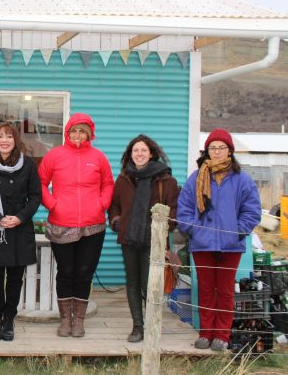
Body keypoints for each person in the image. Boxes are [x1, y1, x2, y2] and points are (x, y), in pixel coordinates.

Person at [177, 128, 261, 352]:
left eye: (221, 147)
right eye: (212, 148)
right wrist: (193, 231)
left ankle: (222, 335)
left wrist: (237, 232)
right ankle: (205, 333)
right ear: (207, 152)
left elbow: (252, 211)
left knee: (224, 291)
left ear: (230, 151)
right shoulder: (196, 177)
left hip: (230, 246)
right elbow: (183, 208)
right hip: (202, 244)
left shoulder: (242, 179)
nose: (216, 152)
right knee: (204, 290)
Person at [38, 112, 114, 338]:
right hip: (62, 223)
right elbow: (40, 184)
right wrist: (53, 204)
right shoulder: (54, 156)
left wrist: (102, 204)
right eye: (74, 130)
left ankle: (78, 321)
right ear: (67, 132)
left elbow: (108, 184)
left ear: (89, 134)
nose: (78, 135)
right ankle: (64, 320)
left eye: (83, 131)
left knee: (84, 273)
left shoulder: (98, 157)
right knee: (66, 272)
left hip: (93, 226)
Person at [108, 134, 180, 343]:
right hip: (129, 239)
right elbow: (114, 206)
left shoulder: (166, 180)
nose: (139, 154)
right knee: (132, 283)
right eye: (135, 151)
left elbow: (174, 212)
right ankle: (137, 327)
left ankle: (153, 325)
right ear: (130, 155)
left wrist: (163, 227)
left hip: (154, 242)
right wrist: (117, 221)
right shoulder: (124, 179)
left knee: (151, 285)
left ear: (151, 153)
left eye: (143, 150)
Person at [0, 122, 41, 341]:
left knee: (14, 279)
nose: (4, 140)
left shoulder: (28, 164)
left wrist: (20, 218)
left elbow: (35, 196)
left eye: (9, 136)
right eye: (0, 136)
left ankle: (9, 320)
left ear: (16, 140)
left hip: (19, 230)